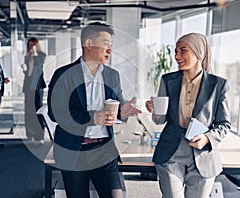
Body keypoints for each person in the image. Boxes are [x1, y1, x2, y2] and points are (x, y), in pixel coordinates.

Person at [47, 22, 140, 198]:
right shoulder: (63, 74)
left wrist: (122, 112)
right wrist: (92, 118)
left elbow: (116, 106)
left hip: (104, 150)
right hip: (74, 150)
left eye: (111, 45)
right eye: (105, 44)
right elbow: (55, 113)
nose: (110, 50)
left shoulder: (112, 75)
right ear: (89, 44)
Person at [145, 33, 231, 198]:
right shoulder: (167, 80)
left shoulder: (218, 85)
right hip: (171, 151)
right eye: (176, 51)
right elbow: (160, 120)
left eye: (183, 51)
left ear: (199, 53)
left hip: (203, 154)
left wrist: (207, 138)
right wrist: (155, 110)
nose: (177, 56)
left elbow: (224, 124)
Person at [22, 37, 46, 145]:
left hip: (37, 87)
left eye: (33, 45)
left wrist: (34, 53)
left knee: (38, 111)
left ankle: (39, 135)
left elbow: (38, 65)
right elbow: (28, 73)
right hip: (28, 87)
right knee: (28, 111)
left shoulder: (41, 55)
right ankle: (30, 134)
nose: (31, 47)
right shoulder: (27, 57)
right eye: (30, 45)